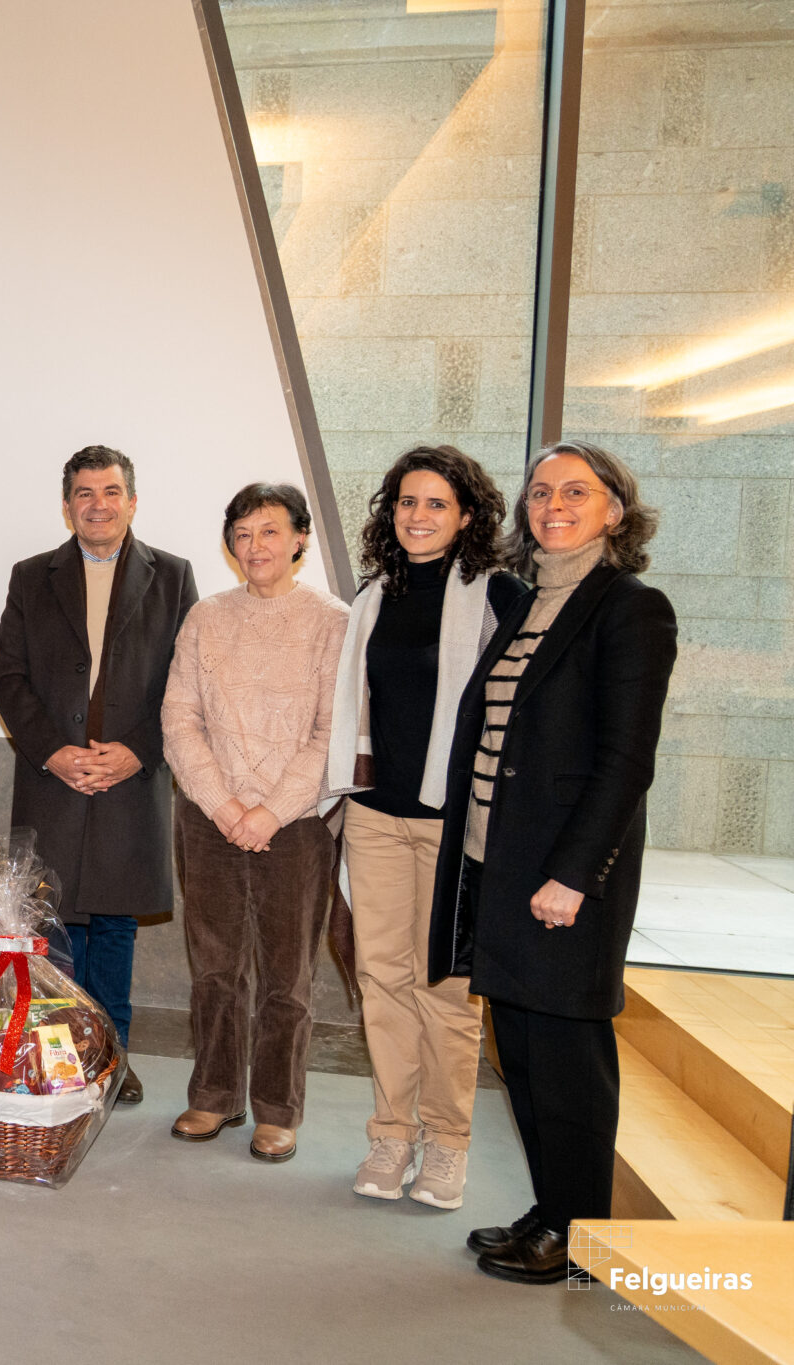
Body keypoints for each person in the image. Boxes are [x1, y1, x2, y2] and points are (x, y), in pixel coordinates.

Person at [429, 441, 675, 1285]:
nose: (552, 504)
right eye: (540, 492)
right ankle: (552, 1210)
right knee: (524, 1054)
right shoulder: (534, 601)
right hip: (500, 867)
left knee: (569, 1062)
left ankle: (583, 1235)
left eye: (576, 491)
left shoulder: (632, 607)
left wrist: (574, 874)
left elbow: (624, 762)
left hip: (566, 880)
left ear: (615, 507)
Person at [327, 446, 525, 1210]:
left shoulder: (500, 595)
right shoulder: (374, 595)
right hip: (375, 814)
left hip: (455, 822)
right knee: (383, 981)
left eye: (436, 503)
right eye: (407, 502)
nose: (418, 516)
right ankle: (391, 1133)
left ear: (468, 514)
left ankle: (448, 1145)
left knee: (446, 985)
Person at [0, 446, 197, 1106]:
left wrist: (140, 749)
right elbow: (10, 677)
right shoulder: (31, 576)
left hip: (130, 782)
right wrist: (53, 749)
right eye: (84, 493)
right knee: (51, 919)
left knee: (112, 926)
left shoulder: (173, 576)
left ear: (132, 501)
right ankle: (56, 1054)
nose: (98, 504)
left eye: (111, 491)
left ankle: (111, 1055)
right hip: (54, 779)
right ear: (67, 504)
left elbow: (185, 681)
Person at [162, 482, 348, 1162]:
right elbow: (179, 717)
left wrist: (270, 810)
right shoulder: (206, 617)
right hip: (210, 818)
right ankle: (213, 1093)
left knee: (286, 973)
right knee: (214, 966)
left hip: (295, 824)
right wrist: (224, 804)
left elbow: (332, 732)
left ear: (300, 538)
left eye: (269, 531)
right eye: (242, 533)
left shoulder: (332, 621)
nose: (254, 546)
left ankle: (277, 1106)